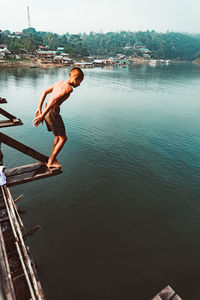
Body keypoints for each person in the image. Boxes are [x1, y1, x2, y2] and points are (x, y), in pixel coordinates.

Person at [33, 67, 84, 168]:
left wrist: (39, 108)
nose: (79, 84)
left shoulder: (60, 82)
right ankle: (51, 161)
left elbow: (45, 92)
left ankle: (53, 158)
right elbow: (55, 100)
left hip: (47, 109)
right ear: (75, 78)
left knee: (57, 135)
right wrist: (42, 115)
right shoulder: (69, 89)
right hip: (52, 112)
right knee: (63, 138)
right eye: (80, 82)